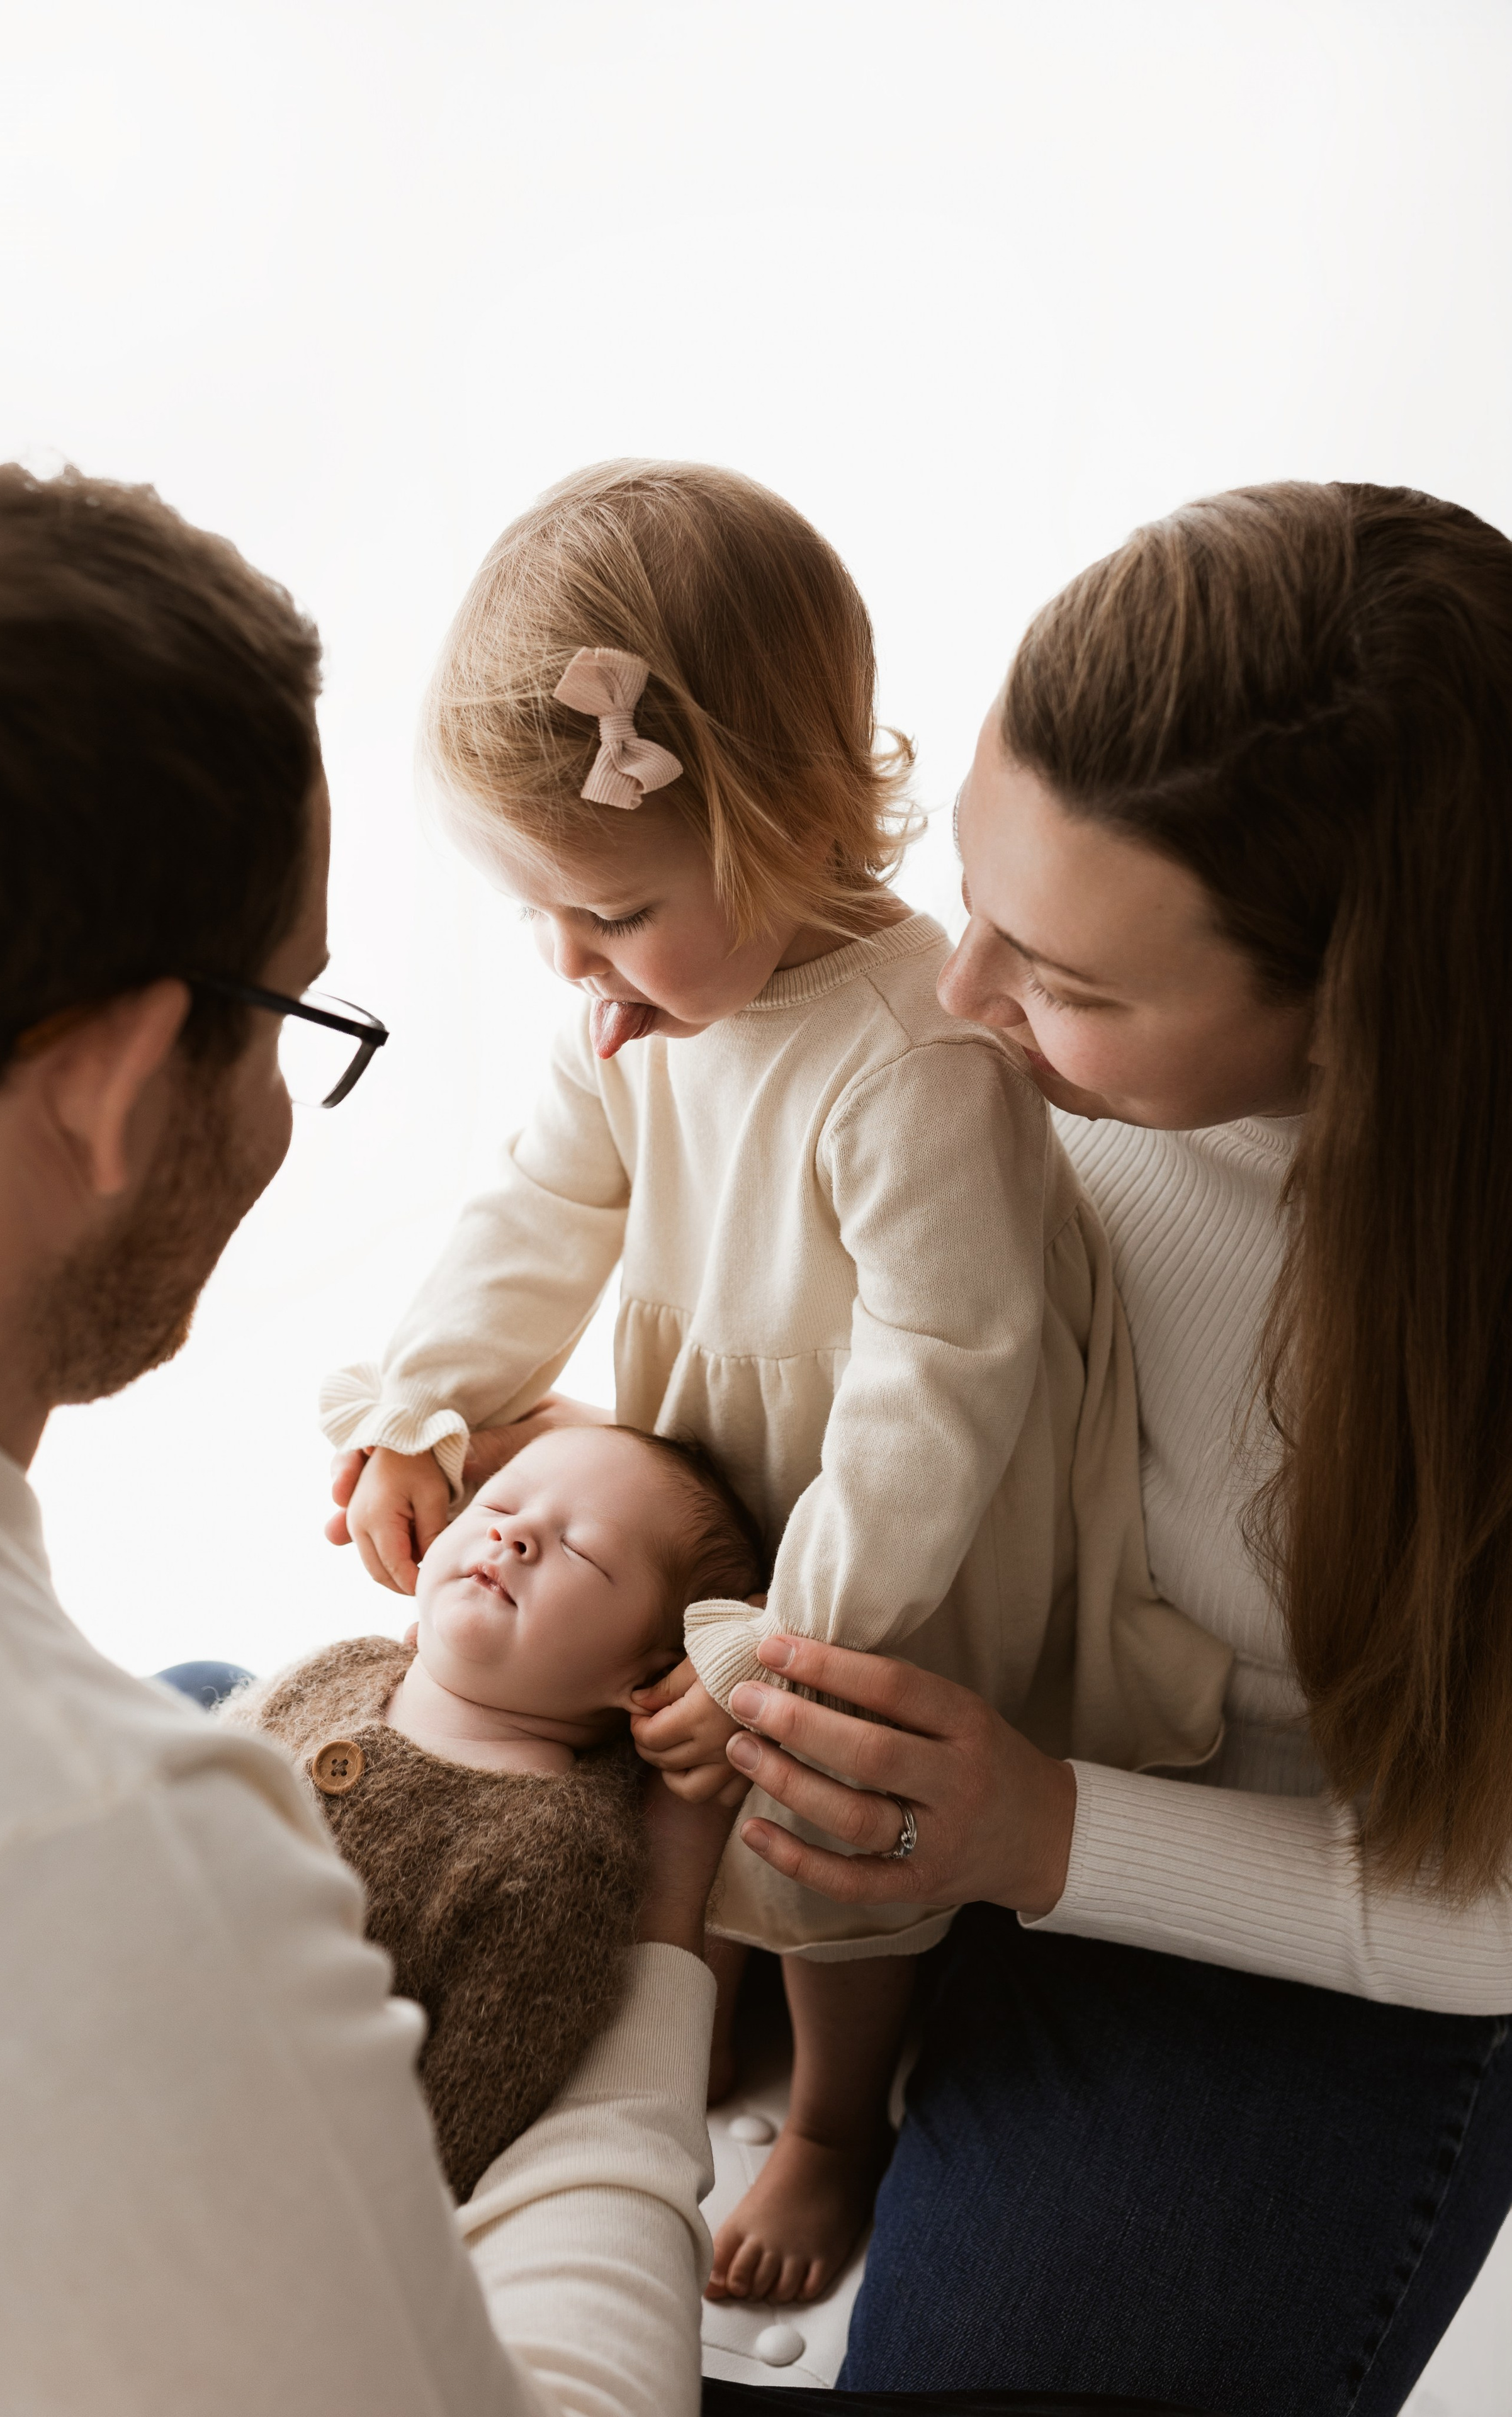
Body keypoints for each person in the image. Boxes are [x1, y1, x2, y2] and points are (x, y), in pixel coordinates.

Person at [321, 458, 1229, 2306]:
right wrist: (421, 1400)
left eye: (613, 908)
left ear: (788, 818)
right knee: (637, 1768)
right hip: (707, 1459)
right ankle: (672, 2000)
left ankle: (835, 2107)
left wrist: (792, 1639)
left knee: (823, 1839)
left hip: (880, 1538)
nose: (575, 964)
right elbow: (539, 1201)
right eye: (547, 921)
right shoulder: (638, 1013)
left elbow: (938, 1385)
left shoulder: (916, 1059)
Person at [0, 459, 747, 2417]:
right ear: (113, 1081)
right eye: (297, 1014)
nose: (288, 1109)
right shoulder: (108, 1851)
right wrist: (663, 1957)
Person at [708, 483, 1512, 2415]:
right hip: (916, 1752)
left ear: (1361, 1005)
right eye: (969, 891)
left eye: (1065, 981)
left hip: (1311, 1894)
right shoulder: (958, 1038)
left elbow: (1482, 1895)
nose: (961, 996)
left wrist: (1043, 1830)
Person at [225, 1425, 764, 2200]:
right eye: (498, 1504)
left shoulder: (557, 1855)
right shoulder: (341, 1666)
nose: (512, 1533)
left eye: (581, 1550)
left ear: (652, 1671)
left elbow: (464, 2109)